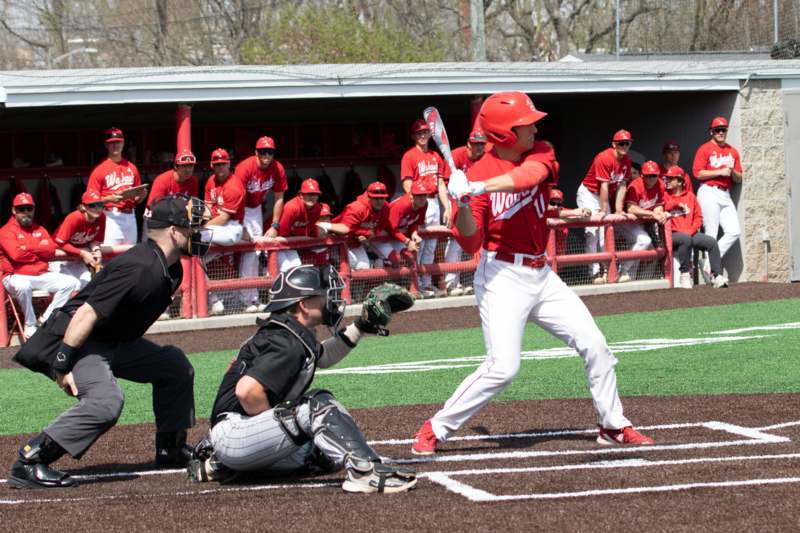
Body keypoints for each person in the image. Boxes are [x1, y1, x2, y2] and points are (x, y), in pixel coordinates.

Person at [411, 91, 654, 456]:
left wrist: (479, 185)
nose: (535, 127)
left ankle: (612, 425)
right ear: (506, 133)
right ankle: (434, 429)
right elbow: (472, 238)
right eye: (526, 125)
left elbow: (529, 177)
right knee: (503, 368)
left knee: (596, 345)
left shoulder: (540, 151)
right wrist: (462, 200)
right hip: (502, 277)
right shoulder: (476, 176)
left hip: (541, 273)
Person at [7, 194, 211, 489]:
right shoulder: (141, 267)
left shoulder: (172, 268)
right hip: (79, 340)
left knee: (174, 365)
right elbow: (85, 314)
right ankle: (30, 461)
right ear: (173, 231)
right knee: (106, 403)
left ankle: (171, 448)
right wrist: (62, 365)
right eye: (193, 228)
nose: (199, 234)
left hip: (113, 341)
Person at [188, 264, 417, 494]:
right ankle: (366, 473)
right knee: (318, 405)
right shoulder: (286, 341)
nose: (332, 300)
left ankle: (221, 466)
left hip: (238, 435)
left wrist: (361, 326)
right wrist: (278, 421)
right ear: (304, 304)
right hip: (235, 433)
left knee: (325, 455)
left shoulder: (289, 333)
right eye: (324, 295)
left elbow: (324, 356)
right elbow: (247, 392)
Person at [0, 193, 80, 338]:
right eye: (21, 209)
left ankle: (45, 319)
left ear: (33, 209)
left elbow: (50, 251)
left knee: (72, 282)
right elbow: (16, 255)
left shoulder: (39, 229)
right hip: (15, 275)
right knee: (23, 285)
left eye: (29, 208)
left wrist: (27, 248)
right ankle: (30, 324)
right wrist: (38, 248)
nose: (25, 212)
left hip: (40, 274)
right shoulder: (5, 231)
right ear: (13, 210)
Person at [235, 136, 288, 312]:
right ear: (256, 152)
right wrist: (240, 225)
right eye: (263, 151)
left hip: (255, 208)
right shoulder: (245, 167)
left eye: (270, 152)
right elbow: (237, 198)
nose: (267, 155)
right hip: (236, 209)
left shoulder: (277, 167)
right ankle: (246, 299)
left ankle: (252, 298)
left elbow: (279, 197)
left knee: (255, 252)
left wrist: (274, 225)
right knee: (245, 251)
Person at [400, 119, 451, 297]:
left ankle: (427, 284)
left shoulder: (436, 156)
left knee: (431, 246)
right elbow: (407, 184)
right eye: (418, 133)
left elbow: (441, 184)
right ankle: (416, 284)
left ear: (430, 134)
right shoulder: (409, 156)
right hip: (420, 202)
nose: (422, 136)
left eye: (425, 132)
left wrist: (448, 207)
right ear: (413, 136)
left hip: (434, 201)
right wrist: (416, 205)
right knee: (419, 245)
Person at [576, 129, 633, 284]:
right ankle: (594, 273)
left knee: (606, 236)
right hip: (589, 193)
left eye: (627, 143)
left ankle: (608, 271)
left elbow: (622, 186)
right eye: (621, 143)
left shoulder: (627, 160)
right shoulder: (604, 157)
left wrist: (619, 210)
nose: (624, 146)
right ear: (614, 144)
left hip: (602, 197)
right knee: (593, 233)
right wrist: (603, 210)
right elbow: (603, 186)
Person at [663, 166, 727, 289]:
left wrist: (691, 230)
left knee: (712, 242)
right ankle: (685, 274)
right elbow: (663, 207)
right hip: (673, 235)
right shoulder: (664, 195)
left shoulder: (690, 196)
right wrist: (676, 203)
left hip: (690, 233)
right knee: (685, 239)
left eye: (671, 179)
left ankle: (717, 275)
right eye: (667, 178)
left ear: (680, 181)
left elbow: (699, 218)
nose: (668, 181)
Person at [692, 116, 743, 263]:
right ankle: (712, 269)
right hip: (709, 190)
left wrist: (732, 170)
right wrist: (719, 171)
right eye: (717, 130)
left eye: (723, 130)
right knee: (711, 233)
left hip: (725, 193)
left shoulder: (732, 151)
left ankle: (709, 262)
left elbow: (739, 178)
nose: (721, 133)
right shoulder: (704, 149)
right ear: (711, 132)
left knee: (734, 231)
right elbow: (698, 173)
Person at [86, 127, 148, 245]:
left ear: (123, 143)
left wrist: (142, 196)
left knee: (129, 256)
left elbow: (136, 200)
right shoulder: (99, 170)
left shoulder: (131, 167)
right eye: (112, 143)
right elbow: (90, 202)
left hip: (130, 216)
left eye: (118, 142)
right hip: (110, 216)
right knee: (109, 257)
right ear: (106, 145)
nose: (115, 145)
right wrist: (109, 199)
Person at [444, 129, 488, 295]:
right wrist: (448, 207)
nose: (479, 147)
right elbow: (446, 183)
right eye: (476, 144)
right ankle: (451, 283)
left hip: (476, 198)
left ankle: (472, 281)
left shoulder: (486, 158)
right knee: (455, 239)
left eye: (481, 144)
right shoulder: (456, 155)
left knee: (478, 241)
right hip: (455, 199)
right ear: (468, 144)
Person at [204, 148, 246, 316]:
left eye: (223, 164)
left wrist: (200, 228)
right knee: (196, 260)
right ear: (212, 165)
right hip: (216, 229)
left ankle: (251, 300)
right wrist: (201, 221)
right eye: (217, 164)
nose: (220, 167)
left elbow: (223, 218)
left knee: (193, 240)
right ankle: (214, 301)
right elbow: (207, 208)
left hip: (231, 229)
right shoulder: (210, 181)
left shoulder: (234, 185)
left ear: (229, 164)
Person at [326, 182, 393, 270]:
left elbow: (380, 226)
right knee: (351, 264)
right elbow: (346, 228)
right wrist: (366, 232)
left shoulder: (386, 208)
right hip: (338, 240)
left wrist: (371, 234)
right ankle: (338, 282)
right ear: (369, 197)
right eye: (376, 198)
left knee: (364, 268)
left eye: (382, 198)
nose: (379, 201)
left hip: (355, 243)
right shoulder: (357, 208)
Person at [619, 160, 666, 282]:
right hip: (628, 222)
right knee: (644, 240)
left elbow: (658, 204)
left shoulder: (660, 184)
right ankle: (622, 270)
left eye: (654, 175)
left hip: (644, 223)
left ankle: (639, 282)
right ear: (642, 175)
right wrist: (653, 214)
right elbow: (631, 209)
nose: (651, 179)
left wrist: (659, 213)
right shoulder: (635, 185)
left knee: (653, 250)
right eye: (648, 176)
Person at [50, 191, 106, 289]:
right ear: (84, 206)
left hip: (76, 258)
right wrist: (83, 253)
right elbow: (60, 243)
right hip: (58, 259)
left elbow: (96, 241)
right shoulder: (74, 218)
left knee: (87, 283)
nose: (97, 208)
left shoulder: (102, 217)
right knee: (71, 284)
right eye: (92, 205)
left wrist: (97, 250)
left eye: (100, 204)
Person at [276, 178, 323, 272]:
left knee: (296, 267)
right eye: (309, 194)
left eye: (315, 195)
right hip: (275, 240)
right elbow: (282, 233)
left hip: (290, 243)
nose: (312, 197)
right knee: (283, 269)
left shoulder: (317, 208)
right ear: (300, 195)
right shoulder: (292, 207)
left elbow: (311, 230)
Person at [385, 180, 428, 271]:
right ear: (411, 196)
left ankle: (414, 283)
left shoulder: (424, 204)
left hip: (398, 233)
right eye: (419, 195)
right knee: (391, 260)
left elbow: (415, 222)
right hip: (383, 233)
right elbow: (390, 228)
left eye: (424, 195)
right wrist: (407, 241)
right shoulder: (402, 205)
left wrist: (414, 234)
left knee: (409, 258)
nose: (422, 198)